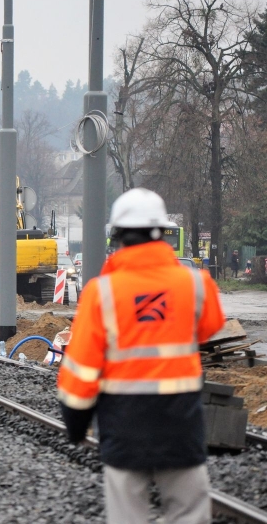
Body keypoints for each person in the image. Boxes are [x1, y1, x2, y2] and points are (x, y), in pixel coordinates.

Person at [57, 188, 225, 524]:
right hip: (182, 422)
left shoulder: (100, 292)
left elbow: (81, 371)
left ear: (116, 235)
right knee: (189, 512)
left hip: (124, 425)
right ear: (161, 234)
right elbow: (209, 329)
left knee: (127, 515)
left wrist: (76, 424)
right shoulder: (195, 284)